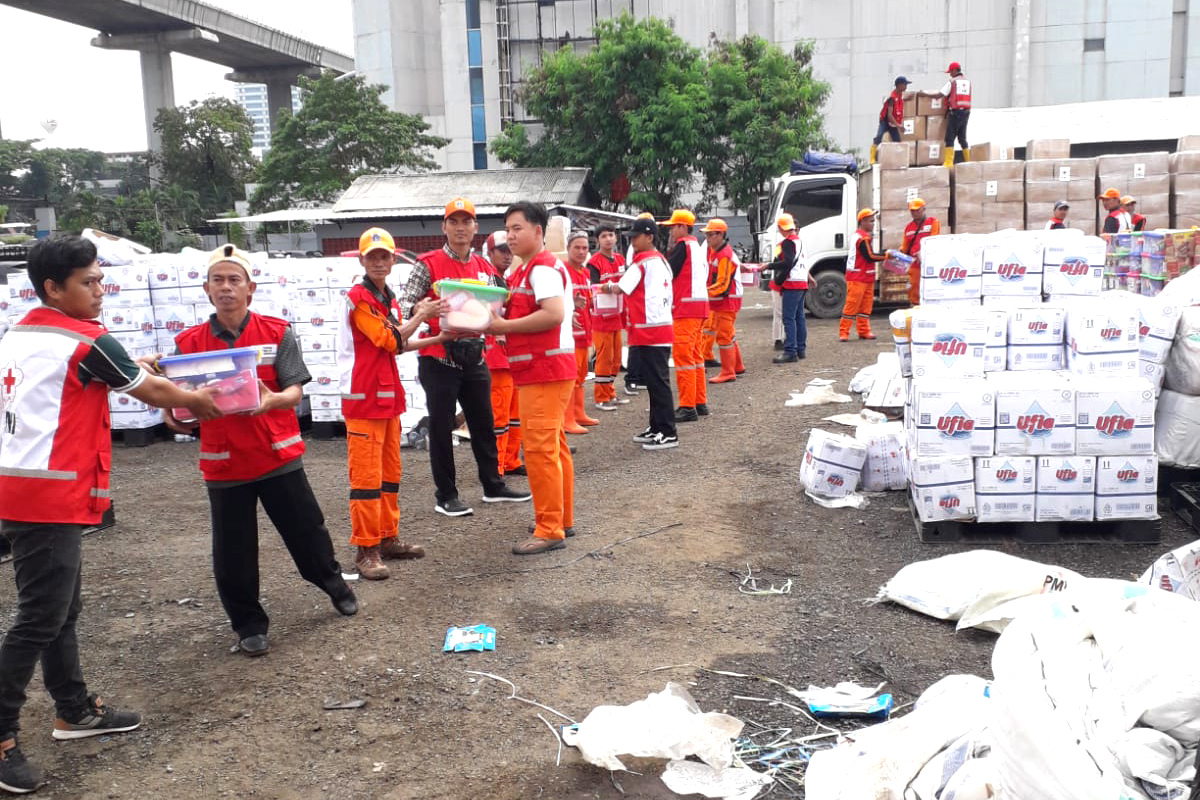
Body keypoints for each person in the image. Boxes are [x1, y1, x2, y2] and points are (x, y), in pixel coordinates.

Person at [0, 235, 221, 794]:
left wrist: (130, 364)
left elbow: (87, 377)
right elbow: (149, 391)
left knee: (59, 609)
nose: (101, 291)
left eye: (101, 280)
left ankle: (73, 709)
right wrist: (200, 400)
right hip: (48, 495)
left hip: (24, 488)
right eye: (89, 283)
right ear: (54, 287)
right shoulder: (84, 339)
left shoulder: (22, 332)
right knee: (38, 617)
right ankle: (2, 734)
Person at [169, 244, 360, 656]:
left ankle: (334, 584)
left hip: (277, 454)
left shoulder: (277, 333)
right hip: (224, 462)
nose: (226, 288)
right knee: (233, 550)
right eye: (217, 280)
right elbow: (178, 404)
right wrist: (177, 414)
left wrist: (271, 399)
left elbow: (295, 389)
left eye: (234, 280)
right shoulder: (188, 343)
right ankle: (248, 625)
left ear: (250, 289)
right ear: (206, 289)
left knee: (308, 532)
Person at [400, 198, 531, 518]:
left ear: (475, 228)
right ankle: (446, 494)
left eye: (466, 222)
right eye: (454, 222)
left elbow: (497, 306)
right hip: (438, 357)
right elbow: (405, 306)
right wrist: (424, 311)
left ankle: (493, 484)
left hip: (475, 356)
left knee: (484, 423)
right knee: (442, 427)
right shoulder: (427, 263)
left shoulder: (484, 267)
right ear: (444, 227)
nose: (460, 228)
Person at [339, 228, 447, 579]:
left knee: (389, 476)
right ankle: (365, 549)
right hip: (365, 399)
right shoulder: (360, 298)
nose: (380, 262)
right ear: (362, 260)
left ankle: (386, 538)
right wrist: (421, 316)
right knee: (367, 479)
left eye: (384, 256)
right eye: (373, 257)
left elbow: (398, 343)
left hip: (385, 398)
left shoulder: (384, 297)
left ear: (393, 259)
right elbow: (389, 339)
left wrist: (438, 336)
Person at [486, 202, 578, 555]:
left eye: (517, 228)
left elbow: (553, 314)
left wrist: (503, 326)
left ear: (538, 231)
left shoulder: (542, 269)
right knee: (553, 446)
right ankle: (561, 518)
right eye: (507, 229)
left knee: (540, 450)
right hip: (541, 370)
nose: (510, 235)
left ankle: (550, 527)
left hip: (544, 371)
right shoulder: (526, 271)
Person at [601, 217, 676, 450]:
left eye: (636, 237)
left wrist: (605, 287)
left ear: (650, 237)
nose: (632, 241)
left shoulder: (643, 261)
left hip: (649, 329)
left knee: (658, 383)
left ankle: (667, 431)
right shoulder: (661, 260)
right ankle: (656, 427)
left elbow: (620, 287)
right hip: (657, 327)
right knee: (655, 383)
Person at [482, 231, 525, 477]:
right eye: (502, 251)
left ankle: (510, 460)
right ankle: (496, 466)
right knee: (499, 416)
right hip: (496, 359)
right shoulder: (488, 281)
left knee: (513, 415)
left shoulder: (504, 280)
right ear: (490, 253)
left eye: (509, 250)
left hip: (509, 357)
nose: (507, 256)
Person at [662, 208, 709, 422]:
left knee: (684, 358)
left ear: (682, 227)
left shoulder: (683, 247)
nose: (671, 231)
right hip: (699, 307)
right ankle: (699, 402)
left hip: (686, 309)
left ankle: (687, 406)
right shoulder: (696, 246)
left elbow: (667, 272)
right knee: (696, 357)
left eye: (673, 227)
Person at [587, 224, 629, 411]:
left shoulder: (620, 259)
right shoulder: (594, 262)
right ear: (598, 240)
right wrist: (611, 286)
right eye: (604, 236)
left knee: (616, 358)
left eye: (611, 235)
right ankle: (601, 397)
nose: (608, 239)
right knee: (604, 358)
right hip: (602, 318)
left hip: (617, 316)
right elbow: (594, 288)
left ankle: (610, 393)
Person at [563, 230, 599, 435]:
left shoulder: (585, 273)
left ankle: (578, 413)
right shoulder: (565, 272)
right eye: (577, 247)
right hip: (571, 335)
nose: (581, 251)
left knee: (582, 375)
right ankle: (568, 419)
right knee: (571, 376)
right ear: (568, 249)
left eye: (585, 248)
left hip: (585, 332)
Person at [702, 219, 745, 384]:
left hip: (727, 300)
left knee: (724, 336)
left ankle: (728, 372)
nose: (707, 238)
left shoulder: (724, 254)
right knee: (729, 334)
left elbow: (722, 284)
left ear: (720, 234)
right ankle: (737, 366)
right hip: (723, 299)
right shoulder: (717, 251)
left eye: (710, 234)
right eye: (706, 234)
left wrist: (703, 294)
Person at [622, 212, 656, 397]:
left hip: (645, 308)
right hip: (637, 307)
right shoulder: (637, 253)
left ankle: (640, 377)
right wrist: (608, 287)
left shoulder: (649, 255)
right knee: (635, 344)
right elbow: (627, 283)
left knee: (643, 345)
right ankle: (632, 379)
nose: (634, 241)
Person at [767, 213, 809, 363]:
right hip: (802, 282)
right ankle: (801, 349)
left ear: (780, 228)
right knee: (799, 317)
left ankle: (790, 351)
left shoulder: (785, 243)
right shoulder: (801, 242)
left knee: (788, 318)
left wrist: (768, 266)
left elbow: (785, 262)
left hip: (792, 283)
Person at [841, 208, 884, 342]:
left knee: (865, 306)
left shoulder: (862, 236)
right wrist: (886, 256)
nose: (873, 224)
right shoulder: (861, 238)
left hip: (866, 276)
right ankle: (844, 332)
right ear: (863, 221)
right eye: (871, 221)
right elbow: (870, 257)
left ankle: (864, 331)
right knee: (852, 305)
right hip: (858, 277)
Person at [900, 198, 941, 306]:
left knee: (931, 286)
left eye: (917, 210)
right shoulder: (908, 227)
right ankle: (915, 306)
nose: (914, 213)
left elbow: (934, 240)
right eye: (912, 211)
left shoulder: (933, 222)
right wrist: (898, 254)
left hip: (930, 263)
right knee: (914, 287)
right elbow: (905, 247)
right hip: (915, 264)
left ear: (924, 209)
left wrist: (922, 252)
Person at [940, 62, 972, 168]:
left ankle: (949, 163)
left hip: (956, 113)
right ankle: (968, 162)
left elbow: (941, 94)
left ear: (954, 70)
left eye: (950, 72)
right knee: (962, 138)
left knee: (949, 138)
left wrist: (924, 94)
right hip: (966, 113)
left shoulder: (952, 82)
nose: (950, 74)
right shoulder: (967, 82)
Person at [872, 76, 910, 164]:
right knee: (878, 137)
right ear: (899, 85)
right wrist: (899, 125)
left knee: (897, 141)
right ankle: (873, 158)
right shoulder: (891, 98)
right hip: (885, 121)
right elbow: (889, 115)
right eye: (905, 84)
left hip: (893, 124)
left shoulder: (900, 95)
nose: (906, 87)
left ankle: (898, 160)